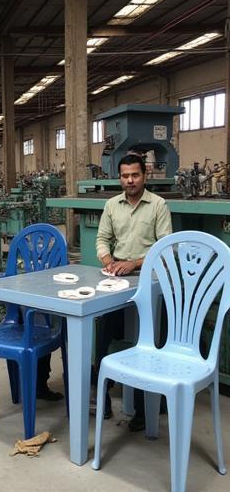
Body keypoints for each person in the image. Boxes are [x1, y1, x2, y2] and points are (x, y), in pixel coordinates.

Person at [93, 153, 173, 428]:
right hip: (117, 277)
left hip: (149, 277)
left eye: (135, 175)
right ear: (120, 177)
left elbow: (164, 247)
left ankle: (144, 408)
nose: (130, 180)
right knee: (104, 331)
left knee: (147, 340)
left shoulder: (158, 205)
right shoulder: (111, 205)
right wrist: (109, 262)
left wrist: (134, 263)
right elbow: (102, 239)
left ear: (144, 175)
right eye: (125, 176)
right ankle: (102, 398)